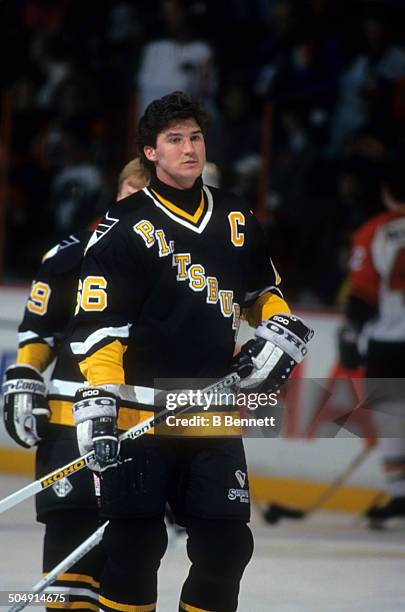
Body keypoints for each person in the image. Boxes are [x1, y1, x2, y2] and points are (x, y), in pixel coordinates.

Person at [69, 91, 313, 611]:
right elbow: (99, 329)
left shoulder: (236, 216)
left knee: (227, 548)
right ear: (150, 153)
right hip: (141, 410)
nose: (188, 149)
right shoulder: (122, 228)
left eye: (195, 137)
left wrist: (277, 328)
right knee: (134, 550)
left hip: (211, 410)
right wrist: (100, 399)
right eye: (174, 140)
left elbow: (260, 294)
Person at [2, 159, 150, 611]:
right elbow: (39, 334)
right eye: (130, 191)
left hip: (142, 426)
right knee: (69, 548)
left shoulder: (186, 265)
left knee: (130, 562)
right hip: (72, 420)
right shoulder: (70, 255)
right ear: (117, 194)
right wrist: (26, 374)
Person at [339, 153, 405, 528]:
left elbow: (362, 294)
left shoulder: (375, 231)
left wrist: (350, 334)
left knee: (394, 418)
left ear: (386, 193)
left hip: (390, 341)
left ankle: (399, 494)